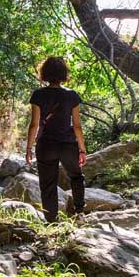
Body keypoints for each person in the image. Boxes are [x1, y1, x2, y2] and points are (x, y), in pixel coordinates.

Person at [25, 56, 86, 223]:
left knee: (48, 184)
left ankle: (51, 221)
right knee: (76, 177)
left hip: (46, 146)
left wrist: (28, 148)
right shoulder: (72, 95)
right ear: (64, 74)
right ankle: (79, 213)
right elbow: (77, 126)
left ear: (44, 73)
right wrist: (82, 149)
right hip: (68, 145)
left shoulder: (38, 95)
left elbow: (34, 125)